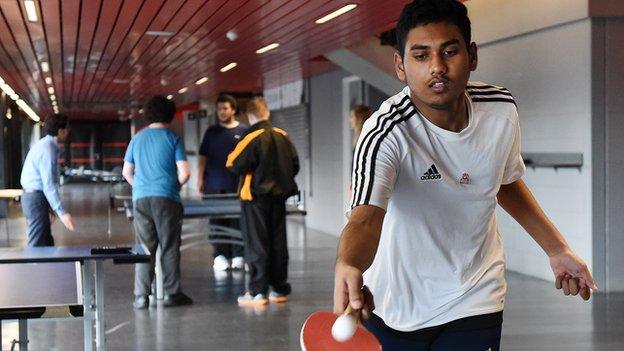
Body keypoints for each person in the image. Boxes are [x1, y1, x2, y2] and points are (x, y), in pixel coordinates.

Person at [333, 1, 597, 350]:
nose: (438, 68)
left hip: (476, 293)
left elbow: (503, 180)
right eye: (421, 56)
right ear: (400, 65)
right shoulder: (385, 132)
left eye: (450, 52)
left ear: (472, 56)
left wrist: (556, 248)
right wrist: (349, 262)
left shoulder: (500, 110)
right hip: (396, 304)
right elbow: (366, 217)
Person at [226, 97, 299, 306]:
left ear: (250, 115)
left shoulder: (252, 136)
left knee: (257, 243)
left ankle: (258, 292)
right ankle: (279, 288)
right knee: (278, 243)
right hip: (279, 198)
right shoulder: (282, 135)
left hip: (255, 199)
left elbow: (232, 163)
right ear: (266, 112)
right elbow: (295, 165)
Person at [123, 95, 193, 309]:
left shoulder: (137, 139)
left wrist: (140, 187)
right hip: (167, 199)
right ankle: (173, 293)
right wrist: (175, 186)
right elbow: (185, 172)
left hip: (141, 199)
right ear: (170, 114)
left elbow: (127, 172)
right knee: (170, 246)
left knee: (145, 248)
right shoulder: (173, 138)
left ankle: (141, 296)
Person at [198, 94, 248, 271]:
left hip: (237, 185)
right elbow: (203, 156)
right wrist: (200, 178)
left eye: (225, 108)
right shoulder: (211, 132)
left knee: (238, 221)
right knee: (217, 222)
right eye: (219, 109)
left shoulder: (243, 131)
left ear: (233, 110)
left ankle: (238, 254)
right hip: (214, 184)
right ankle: (220, 255)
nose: (222, 112)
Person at [20, 113, 75, 246]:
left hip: (37, 198)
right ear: (60, 131)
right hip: (35, 199)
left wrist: (49, 208)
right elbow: (48, 184)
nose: (69, 131)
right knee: (37, 244)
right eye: (67, 128)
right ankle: (31, 266)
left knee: (46, 243)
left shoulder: (47, 145)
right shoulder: (48, 149)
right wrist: (62, 212)